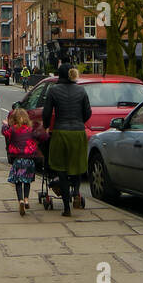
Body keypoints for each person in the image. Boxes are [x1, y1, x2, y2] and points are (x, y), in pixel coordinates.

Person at [42, 64, 91, 216]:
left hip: (60, 133)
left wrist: (45, 127)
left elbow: (47, 113)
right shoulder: (81, 90)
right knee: (75, 165)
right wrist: (79, 121)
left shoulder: (54, 91)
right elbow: (87, 112)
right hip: (77, 132)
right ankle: (76, 192)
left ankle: (66, 208)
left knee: (61, 169)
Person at [2, 106, 43, 215]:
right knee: (27, 181)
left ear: (13, 119)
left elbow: (5, 133)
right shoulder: (31, 130)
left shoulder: (12, 129)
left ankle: (20, 200)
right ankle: (26, 199)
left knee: (18, 182)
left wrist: (5, 125)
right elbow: (39, 136)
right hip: (29, 160)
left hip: (18, 159)